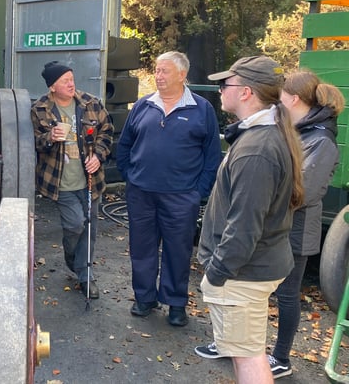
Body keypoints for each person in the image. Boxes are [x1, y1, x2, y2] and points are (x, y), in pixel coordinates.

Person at [194, 56, 304, 384]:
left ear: (245, 93)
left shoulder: (257, 149)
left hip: (241, 275)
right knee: (247, 352)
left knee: (248, 357)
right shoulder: (263, 135)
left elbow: (244, 227)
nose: (219, 90)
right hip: (250, 270)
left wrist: (216, 274)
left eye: (224, 84)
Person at [115, 51, 221, 327]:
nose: (158, 76)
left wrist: (198, 192)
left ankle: (175, 303)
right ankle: (145, 298)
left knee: (178, 250)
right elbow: (124, 145)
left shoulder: (201, 109)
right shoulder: (143, 106)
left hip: (181, 196)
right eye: (157, 71)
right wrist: (131, 176)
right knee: (142, 247)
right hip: (141, 193)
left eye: (165, 71)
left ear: (182, 75)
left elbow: (212, 157)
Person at [268, 70, 345, 378]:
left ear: (294, 99)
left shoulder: (321, 141)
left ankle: (282, 357)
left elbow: (303, 192)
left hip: (296, 230)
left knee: (287, 294)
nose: (279, 101)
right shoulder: (297, 131)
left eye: (282, 96)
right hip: (279, 225)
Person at [31, 61, 114, 299]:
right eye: (65, 81)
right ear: (52, 86)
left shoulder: (91, 103)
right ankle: (73, 260)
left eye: (72, 78)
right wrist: (49, 137)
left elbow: (107, 132)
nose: (71, 84)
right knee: (75, 225)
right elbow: (35, 143)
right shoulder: (40, 109)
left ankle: (86, 277)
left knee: (90, 228)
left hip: (90, 181)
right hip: (60, 182)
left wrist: (98, 156)